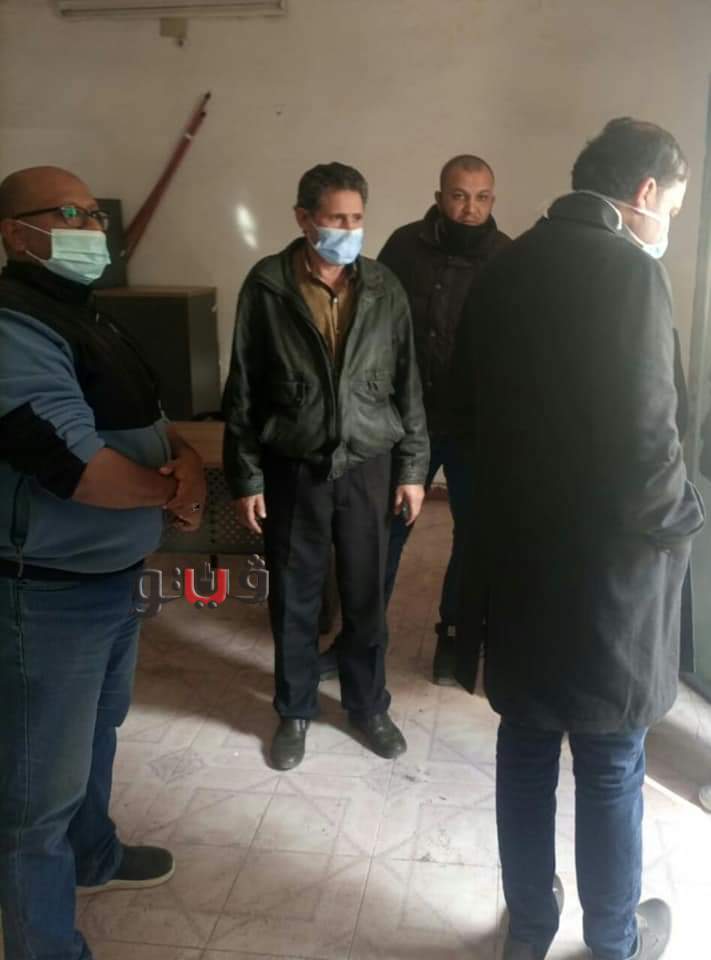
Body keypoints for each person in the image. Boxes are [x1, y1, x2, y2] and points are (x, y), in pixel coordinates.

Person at [453, 119, 704, 960]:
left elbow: (463, 420)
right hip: (610, 578)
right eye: (671, 205)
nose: (667, 221)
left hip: (518, 562)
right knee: (608, 760)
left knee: (524, 748)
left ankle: (528, 929)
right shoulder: (630, 272)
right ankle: (612, 941)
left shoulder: (504, 266)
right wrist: (679, 524)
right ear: (644, 192)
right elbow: (649, 437)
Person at [0, 166, 207, 960]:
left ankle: (94, 857)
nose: (93, 228)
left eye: (94, 214)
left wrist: (187, 465)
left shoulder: (84, 313)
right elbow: (76, 465)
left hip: (110, 579)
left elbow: (150, 418)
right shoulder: (13, 324)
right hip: (45, 593)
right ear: (15, 233)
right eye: (69, 214)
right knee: (35, 799)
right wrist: (168, 492)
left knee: (96, 733)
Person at [222, 161, 428, 771]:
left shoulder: (384, 287)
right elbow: (243, 389)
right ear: (304, 219)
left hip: (368, 462)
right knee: (295, 594)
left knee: (366, 594)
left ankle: (368, 706)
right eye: (336, 218)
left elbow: (408, 383)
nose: (348, 230)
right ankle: (295, 709)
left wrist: (412, 469)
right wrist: (246, 476)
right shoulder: (268, 286)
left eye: (357, 218)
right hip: (295, 462)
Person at [319, 155, 510, 684]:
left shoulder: (508, 257)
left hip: (474, 426)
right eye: (459, 195)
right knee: (382, 531)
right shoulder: (405, 246)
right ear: (439, 196)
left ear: (493, 200)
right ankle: (358, 639)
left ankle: (455, 637)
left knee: (473, 537)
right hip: (404, 420)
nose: (470, 208)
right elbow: (369, 321)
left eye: (482, 197)